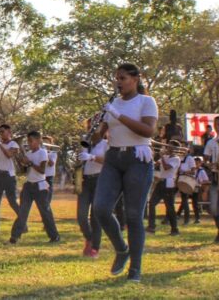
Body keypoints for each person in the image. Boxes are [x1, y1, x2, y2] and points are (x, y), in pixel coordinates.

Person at [90, 63, 158, 283]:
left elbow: (148, 130)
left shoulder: (146, 102)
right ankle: (121, 248)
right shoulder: (113, 104)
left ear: (135, 79)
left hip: (138, 158)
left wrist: (117, 115)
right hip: (113, 158)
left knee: (133, 215)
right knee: (100, 208)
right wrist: (96, 128)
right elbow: (97, 138)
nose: (118, 82)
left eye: (123, 78)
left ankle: (135, 269)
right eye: (116, 78)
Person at [9, 130, 60, 245]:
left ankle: (54, 236)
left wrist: (30, 163)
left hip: (40, 186)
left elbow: (42, 170)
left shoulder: (42, 152)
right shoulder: (28, 154)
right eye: (28, 141)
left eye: (31, 141)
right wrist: (19, 159)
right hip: (28, 185)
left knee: (45, 212)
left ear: (38, 141)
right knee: (23, 212)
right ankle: (14, 237)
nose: (29, 143)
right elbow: (23, 171)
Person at [78, 133, 108, 258]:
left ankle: (95, 247)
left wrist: (91, 157)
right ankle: (89, 239)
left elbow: (108, 161)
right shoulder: (85, 142)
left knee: (95, 217)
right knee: (81, 216)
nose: (91, 129)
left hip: (99, 180)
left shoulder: (106, 144)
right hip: (85, 180)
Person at [0, 124, 20, 233]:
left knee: (12, 201)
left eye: (3, 131)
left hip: (9, 176)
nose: (1, 133)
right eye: (0, 132)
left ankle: (22, 223)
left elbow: (8, 155)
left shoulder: (14, 144)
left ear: (9, 132)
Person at [147, 142, 180, 236]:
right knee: (152, 203)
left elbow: (166, 167)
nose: (167, 148)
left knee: (170, 207)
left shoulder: (176, 159)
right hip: (161, 182)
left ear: (174, 149)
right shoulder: (165, 157)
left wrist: (162, 157)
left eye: (169, 147)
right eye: (168, 146)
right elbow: (154, 164)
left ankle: (175, 229)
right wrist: (151, 153)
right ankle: (151, 226)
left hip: (169, 183)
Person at [202, 120, 219, 243]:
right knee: (213, 207)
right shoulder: (211, 143)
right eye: (218, 124)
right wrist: (210, 164)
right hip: (215, 176)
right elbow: (205, 159)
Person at [176, 146, 201, 225]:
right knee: (169, 198)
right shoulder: (178, 158)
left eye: (183, 149)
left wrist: (184, 172)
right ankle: (170, 218)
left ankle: (186, 219)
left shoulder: (190, 158)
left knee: (185, 200)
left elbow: (193, 171)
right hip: (177, 179)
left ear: (187, 151)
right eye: (181, 149)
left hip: (186, 181)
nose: (181, 150)